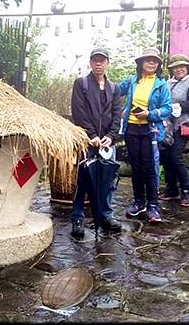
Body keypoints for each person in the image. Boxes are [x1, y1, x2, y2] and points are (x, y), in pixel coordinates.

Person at [69, 48, 123, 238]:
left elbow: (118, 114)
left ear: (108, 63)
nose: (98, 63)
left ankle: (105, 216)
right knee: (83, 179)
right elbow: (79, 111)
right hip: (87, 141)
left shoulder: (114, 88)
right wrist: (91, 135)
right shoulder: (81, 84)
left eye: (102, 60)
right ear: (90, 63)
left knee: (108, 181)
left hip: (107, 143)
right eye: (95, 60)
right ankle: (77, 218)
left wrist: (112, 135)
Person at [117, 47, 172, 223]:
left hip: (150, 130)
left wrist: (150, 114)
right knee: (137, 167)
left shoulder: (161, 85)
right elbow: (114, 92)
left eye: (154, 61)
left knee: (149, 168)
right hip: (132, 129)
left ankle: (153, 205)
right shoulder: (132, 81)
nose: (151, 63)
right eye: (148, 60)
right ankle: (139, 201)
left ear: (158, 65)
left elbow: (167, 109)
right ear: (141, 62)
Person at [159, 54, 189, 207]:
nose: (179, 69)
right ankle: (171, 189)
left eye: (182, 66)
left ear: (187, 68)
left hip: (183, 125)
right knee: (166, 157)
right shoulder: (167, 83)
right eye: (176, 67)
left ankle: (186, 189)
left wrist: (179, 106)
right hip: (167, 126)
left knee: (175, 156)